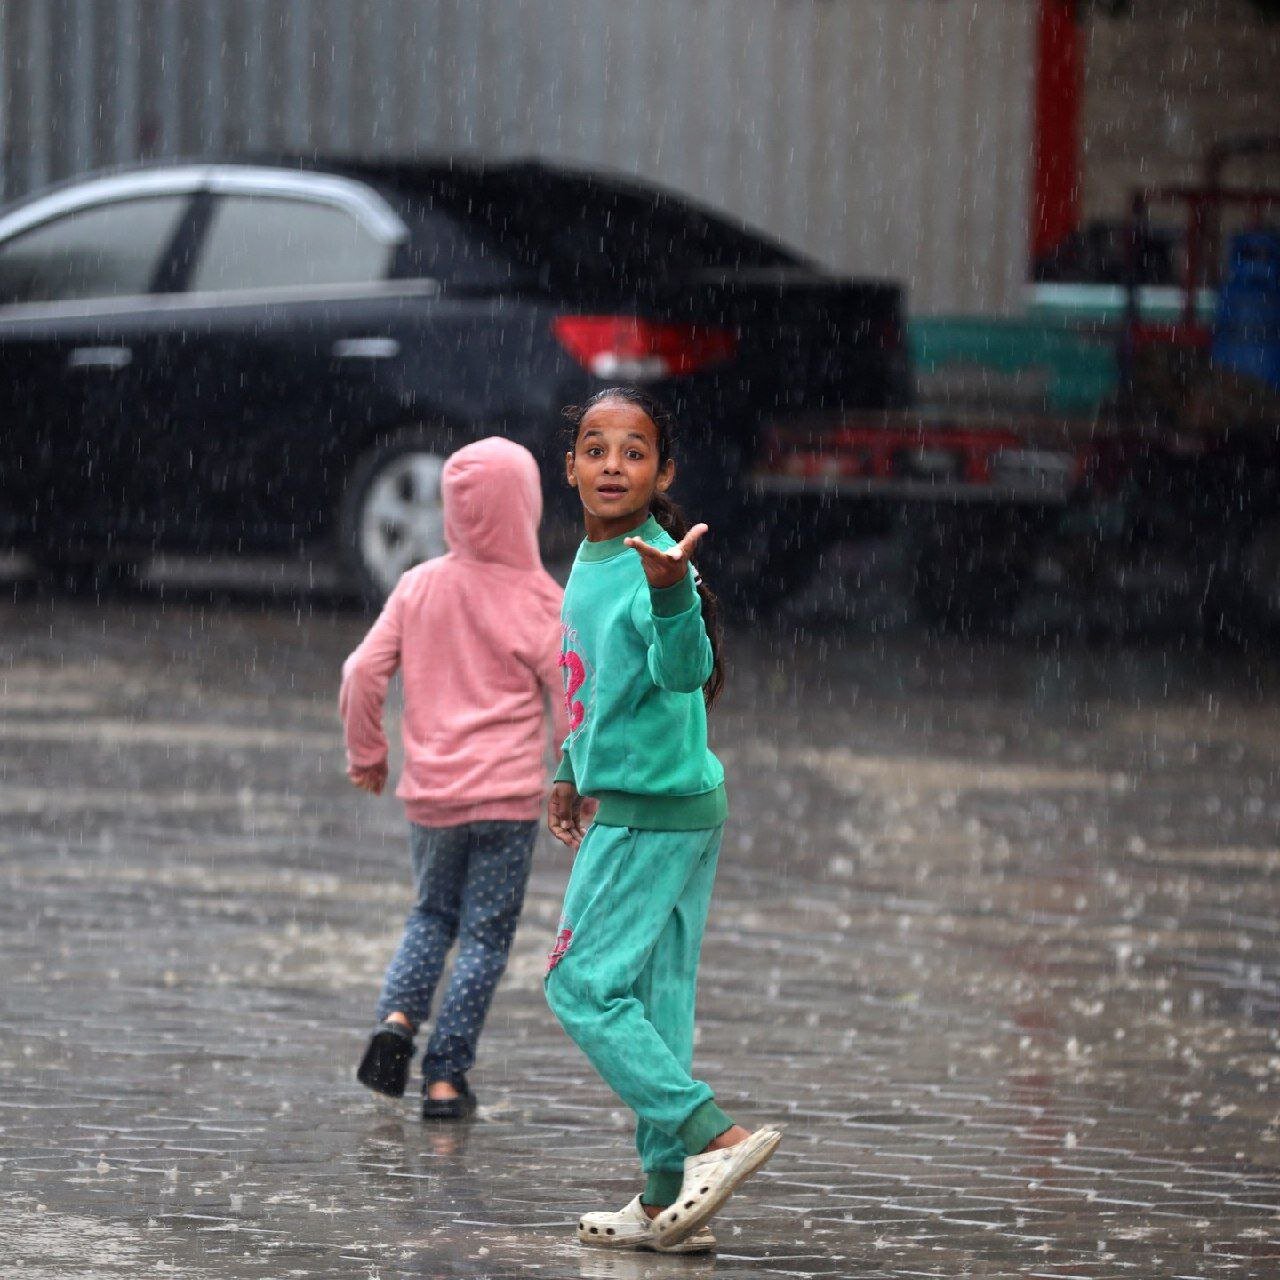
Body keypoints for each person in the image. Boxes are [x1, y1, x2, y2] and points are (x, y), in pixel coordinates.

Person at [543, 387, 782, 1254]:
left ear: (663, 472)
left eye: (634, 451)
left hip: (651, 815)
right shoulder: (591, 559)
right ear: (569, 467)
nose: (614, 465)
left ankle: (711, 1137)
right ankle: (664, 1200)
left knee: (578, 985)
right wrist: (570, 769)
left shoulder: (653, 565)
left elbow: (685, 672)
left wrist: (675, 595)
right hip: (681, 805)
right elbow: (592, 682)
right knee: (654, 999)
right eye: (596, 448)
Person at [341, 436, 568, 1120]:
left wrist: (368, 753)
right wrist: (572, 779)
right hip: (506, 802)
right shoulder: (540, 599)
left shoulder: (418, 586)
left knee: (430, 915)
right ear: (526, 508)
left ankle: (398, 1021)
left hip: (432, 801)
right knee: (486, 938)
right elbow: (570, 697)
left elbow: (361, 673)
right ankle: (444, 1077)